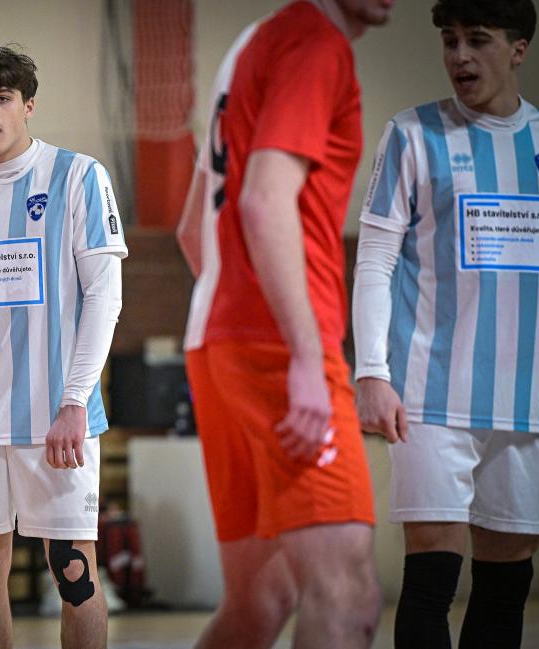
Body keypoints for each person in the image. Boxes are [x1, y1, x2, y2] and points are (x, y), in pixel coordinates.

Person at [177, 1, 395, 647]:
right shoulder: (316, 44)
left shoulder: (252, 42)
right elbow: (264, 198)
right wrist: (302, 355)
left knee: (258, 601)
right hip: (280, 342)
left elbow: (192, 227)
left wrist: (239, 313)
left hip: (215, 338)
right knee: (346, 594)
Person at [353, 1, 539, 646]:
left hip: (525, 399)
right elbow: (375, 260)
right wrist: (372, 372)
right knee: (432, 578)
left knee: (506, 585)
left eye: (477, 40)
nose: (459, 56)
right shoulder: (412, 134)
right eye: (450, 40)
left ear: (518, 49)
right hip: (429, 394)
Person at [0, 43, 127, 649]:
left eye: (3, 98)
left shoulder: (79, 176)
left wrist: (74, 400)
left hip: (58, 414)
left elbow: (105, 298)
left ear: (28, 106)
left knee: (73, 571)